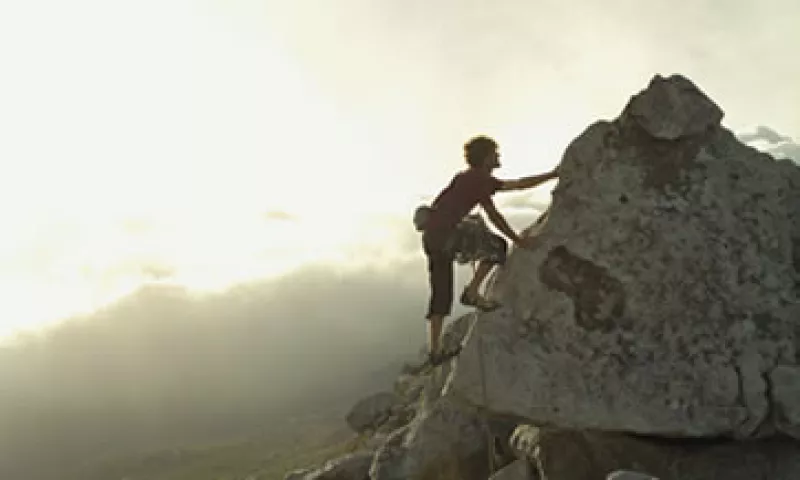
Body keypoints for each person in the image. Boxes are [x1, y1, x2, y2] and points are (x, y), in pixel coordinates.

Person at [418, 135, 558, 366]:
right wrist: (518, 241)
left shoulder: (470, 177)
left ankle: (435, 352)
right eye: (495, 154)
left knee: (441, 293)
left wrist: (551, 175)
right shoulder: (478, 179)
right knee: (497, 247)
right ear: (486, 158)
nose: (499, 157)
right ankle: (472, 292)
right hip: (447, 236)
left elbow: (518, 185)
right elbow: (495, 213)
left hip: (433, 238)